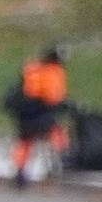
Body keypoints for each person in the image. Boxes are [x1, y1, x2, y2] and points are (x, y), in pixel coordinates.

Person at [5, 45, 68, 186]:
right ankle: (60, 162)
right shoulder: (54, 72)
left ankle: (20, 171)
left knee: (24, 142)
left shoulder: (31, 68)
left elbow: (22, 88)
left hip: (25, 113)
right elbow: (54, 97)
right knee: (57, 133)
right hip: (43, 112)